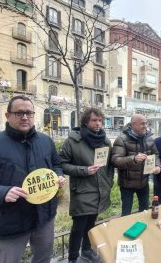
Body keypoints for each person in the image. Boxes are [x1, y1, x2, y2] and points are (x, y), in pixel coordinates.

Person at [0, 95, 66, 263]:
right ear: (7, 116)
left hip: (44, 217)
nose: (25, 117)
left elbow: (56, 163)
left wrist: (58, 175)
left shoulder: (45, 141)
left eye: (29, 113)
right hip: (9, 220)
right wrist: (2, 192)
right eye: (19, 113)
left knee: (44, 258)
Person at [59, 108, 113, 263]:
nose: (98, 124)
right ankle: (73, 258)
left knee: (91, 223)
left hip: (100, 190)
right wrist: (84, 170)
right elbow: (62, 164)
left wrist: (109, 182)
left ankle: (87, 250)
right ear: (85, 122)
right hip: (82, 190)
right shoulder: (73, 140)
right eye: (94, 120)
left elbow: (109, 165)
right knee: (78, 226)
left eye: (100, 120)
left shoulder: (105, 140)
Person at [111, 114, 161, 216]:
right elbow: (115, 160)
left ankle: (142, 229)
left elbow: (156, 155)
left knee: (145, 211)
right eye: (142, 124)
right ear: (133, 124)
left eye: (146, 123)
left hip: (144, 182)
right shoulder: (121, 139)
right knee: (126, 213)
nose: (146, 126)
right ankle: (126, 230)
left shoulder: (149, 138)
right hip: (127, 184)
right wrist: (133, 159)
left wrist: (158, 166)